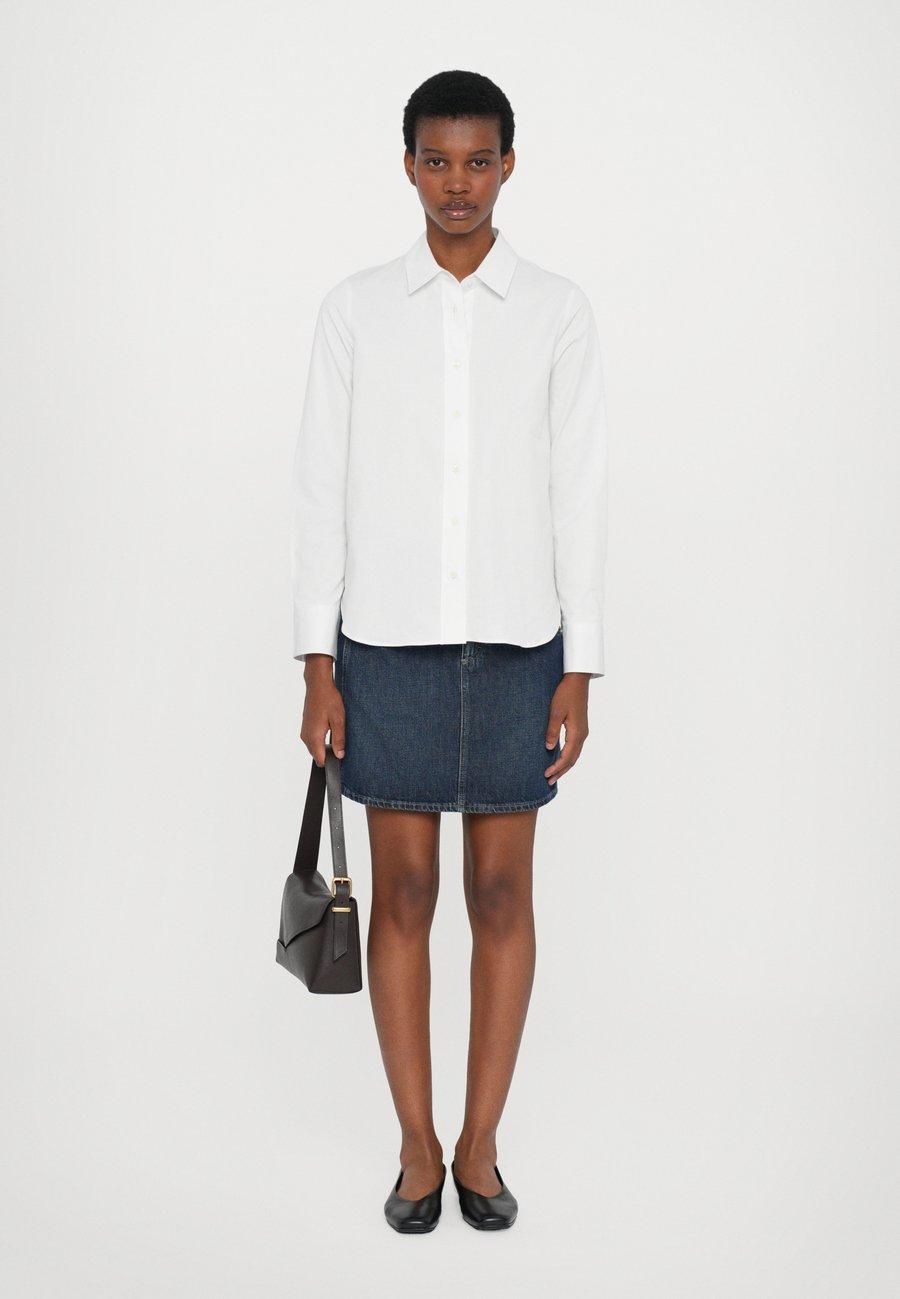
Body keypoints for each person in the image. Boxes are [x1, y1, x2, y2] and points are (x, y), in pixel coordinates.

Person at [290, 69, 609, 1233]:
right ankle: (416, 1145)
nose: (458, 183)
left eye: (479, 161)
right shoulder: (357, 309)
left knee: (503, 891)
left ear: (509, 165)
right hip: (387, 646)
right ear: (408, 166)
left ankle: (481, 1144)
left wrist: (581, 665)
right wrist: (316, 664)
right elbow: (320, 487)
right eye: (437, 160)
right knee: (407, 892)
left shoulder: (558, 309)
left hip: (521, 646)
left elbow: (580, 492)